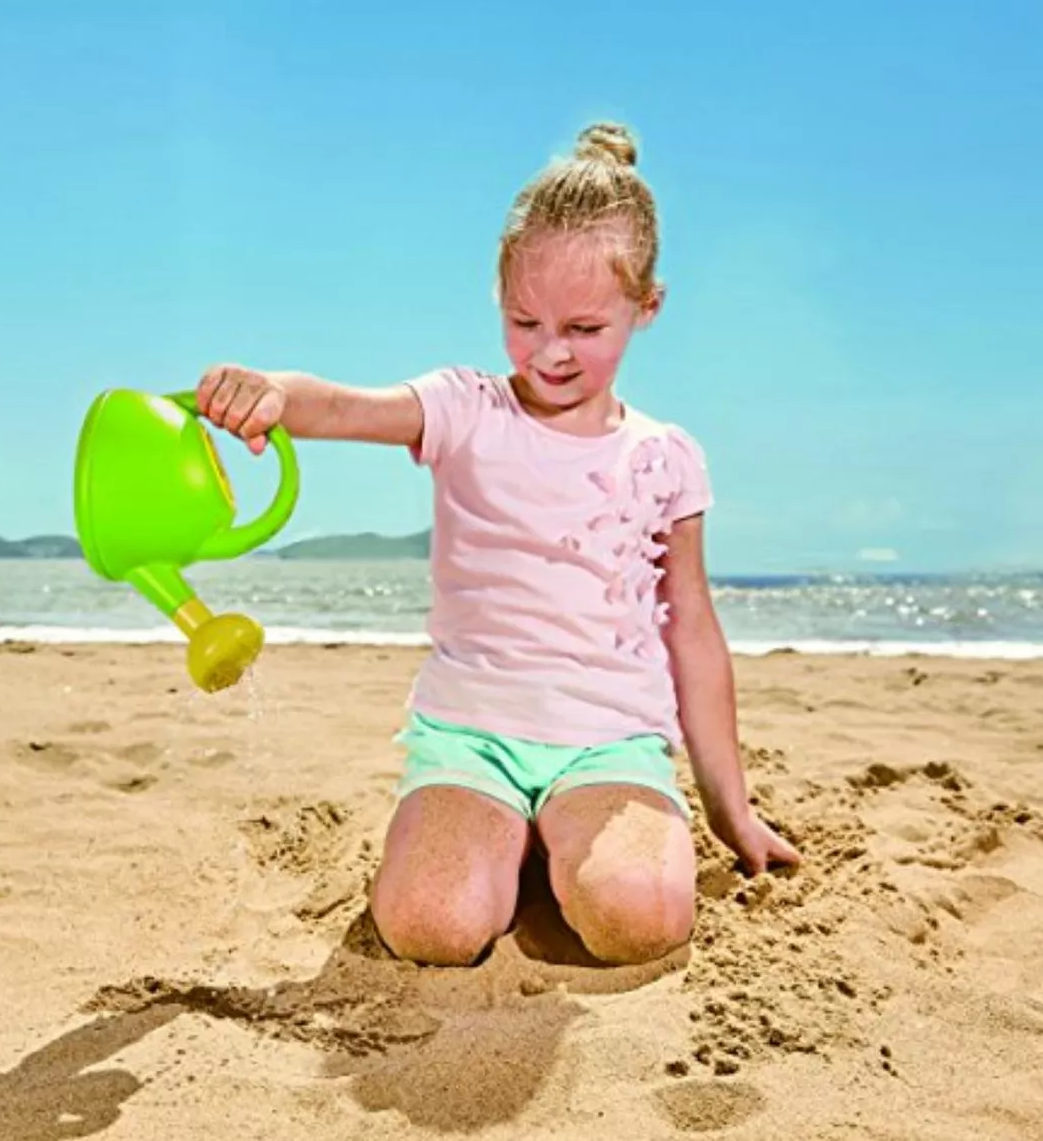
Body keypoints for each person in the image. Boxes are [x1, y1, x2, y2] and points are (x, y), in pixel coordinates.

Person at [196, 121, 801, 968]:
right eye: (525, 321)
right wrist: (267, 392)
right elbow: (339, 407)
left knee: (640, 921)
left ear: (646, 306)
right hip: (469, 735)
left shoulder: (665, 458)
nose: (551, 352)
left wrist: (729, 808)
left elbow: (691, 631)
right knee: (430, 928)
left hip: (608, 738)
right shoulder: (464, 409)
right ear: (498, 297)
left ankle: (561, 837)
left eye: (585, 329)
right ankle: (498, 836)